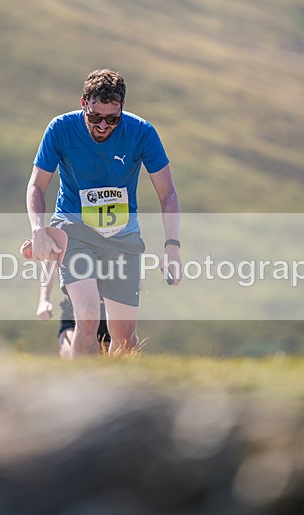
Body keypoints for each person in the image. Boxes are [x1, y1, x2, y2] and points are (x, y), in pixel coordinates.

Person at [26, 68, 181, 357]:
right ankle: (84, 393)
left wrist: (172, 246)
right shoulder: (60, 128)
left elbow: (167, 193)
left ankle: (123, 394)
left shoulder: (141, 132)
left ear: (122, 109)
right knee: (86, 318)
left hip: (122, 236)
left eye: (112, 119)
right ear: (83, 103)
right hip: (75, 232)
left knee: (124, 337)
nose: (103, 126)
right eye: (95, 117)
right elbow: (37, 185)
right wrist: (38, 230)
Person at [23, 239, 110, 358]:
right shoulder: (65, 229)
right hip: (73, 305)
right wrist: (44, 300)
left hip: (107, 307)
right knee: (68, 354)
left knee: (107, 357)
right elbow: (50, 266)